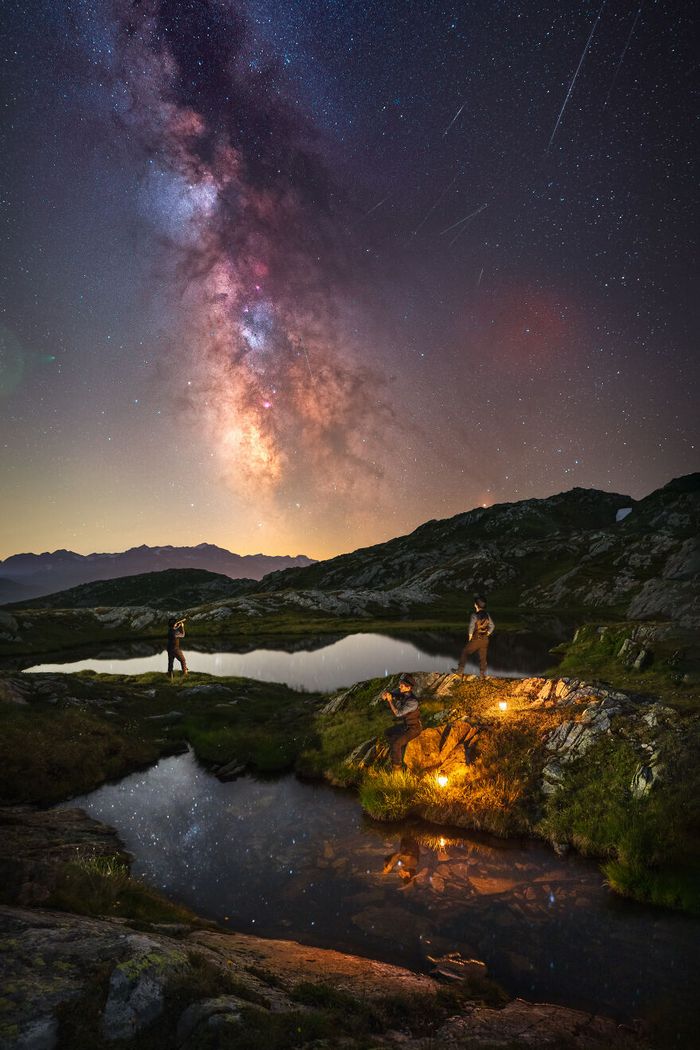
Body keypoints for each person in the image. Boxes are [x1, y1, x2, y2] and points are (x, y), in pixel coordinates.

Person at [381, 673, 422, 770]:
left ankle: (397, 769)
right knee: (388, 732)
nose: (399, 686)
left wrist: (390, 701)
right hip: (406, 725)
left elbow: (398, 713)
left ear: (408, 688)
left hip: (414, 728)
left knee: (396, 744)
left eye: (402, 685)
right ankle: (396, 752)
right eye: (400, 684)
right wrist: (386, 694)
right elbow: (392, 693)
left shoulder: (412, 702)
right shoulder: (402, 692)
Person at [457, 597, 495, 677]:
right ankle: (482, 675)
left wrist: (470, 636)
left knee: (465, 651)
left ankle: (460, 670)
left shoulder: (474, 615)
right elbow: (492, 626)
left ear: (476, 605)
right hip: (485, 639)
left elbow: (471, 626)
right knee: (483, 657)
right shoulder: (487, 615)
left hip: (476, 638)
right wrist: (487, 633)